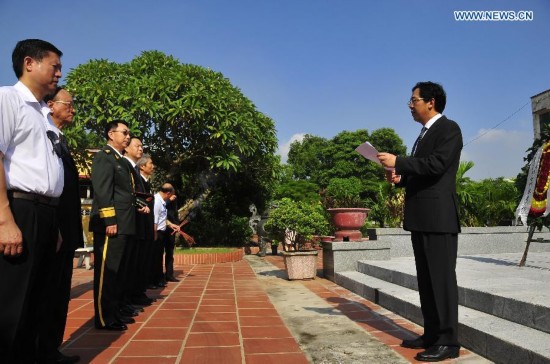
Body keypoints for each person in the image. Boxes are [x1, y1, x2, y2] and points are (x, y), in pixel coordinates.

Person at [378, 81, 462, 362]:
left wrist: (399, 161)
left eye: (413, 100)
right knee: (426, 282)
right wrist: (401, 177)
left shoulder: (449, 129)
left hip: (439, 218)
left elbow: (437, 165)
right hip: (422, 218)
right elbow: (424, 171)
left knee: (442, 281)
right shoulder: (423, 134)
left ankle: (449, 341)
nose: (410, 105)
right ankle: (432, 334)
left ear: (431, 102)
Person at [0, 39, 64, 363]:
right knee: (14, 304)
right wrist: (4, 219)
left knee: (39, 300)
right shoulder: (6, 99)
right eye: (54, 66)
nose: (59, 74)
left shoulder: (43, 114)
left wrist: (53, 223)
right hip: (20, 211)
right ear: (29, 63)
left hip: (45, 214)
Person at [36, 87, 83, 364]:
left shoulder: (59, 139)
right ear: (51, 105)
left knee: (58, 293)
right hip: (53, 227)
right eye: (69, 103)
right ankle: (40, 349)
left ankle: (50, 349)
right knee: (44, 293)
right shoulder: (40, 134)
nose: (73, 109)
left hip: (64, 229)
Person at [89, 120, 136, 331]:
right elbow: (102, 191)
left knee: (117, 273)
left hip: (124, 223)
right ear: (111, 134)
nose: (128, 137)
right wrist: (109, 220)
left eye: (129, 134)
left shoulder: (121, 161)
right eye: (124, 133)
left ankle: (114, 312)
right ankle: (103, 317)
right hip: (112, 224)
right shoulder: (104, 157)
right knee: (107, 273)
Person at [123, 137, 154, 306]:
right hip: (129, 223)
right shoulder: (123, 166)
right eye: (138, 146)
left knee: (138, 264)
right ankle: (127, 299)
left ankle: (134, 295)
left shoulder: (133, 170)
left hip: (140, 226)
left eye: (142, 146)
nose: (141, 149)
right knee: (129, 266)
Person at [136, 154, 157, 289]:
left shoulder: (147, 183)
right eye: (150, 164)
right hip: (140, 226)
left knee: (145, 258)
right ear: (142, 166)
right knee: (139, 261)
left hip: (147, 227)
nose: (153, 166)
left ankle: (143, 288)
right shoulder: (138, 182)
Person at [153, 183, 180, 287]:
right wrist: (155, 233)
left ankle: (168, 274)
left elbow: (171, 215)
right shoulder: (159, 201)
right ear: (168, 193)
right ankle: (157, 278)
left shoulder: (169, 201)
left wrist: (174, 224)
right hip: (159, 230)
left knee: (169, 252)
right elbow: (156, 218)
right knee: (157, 256)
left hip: (167, 228)